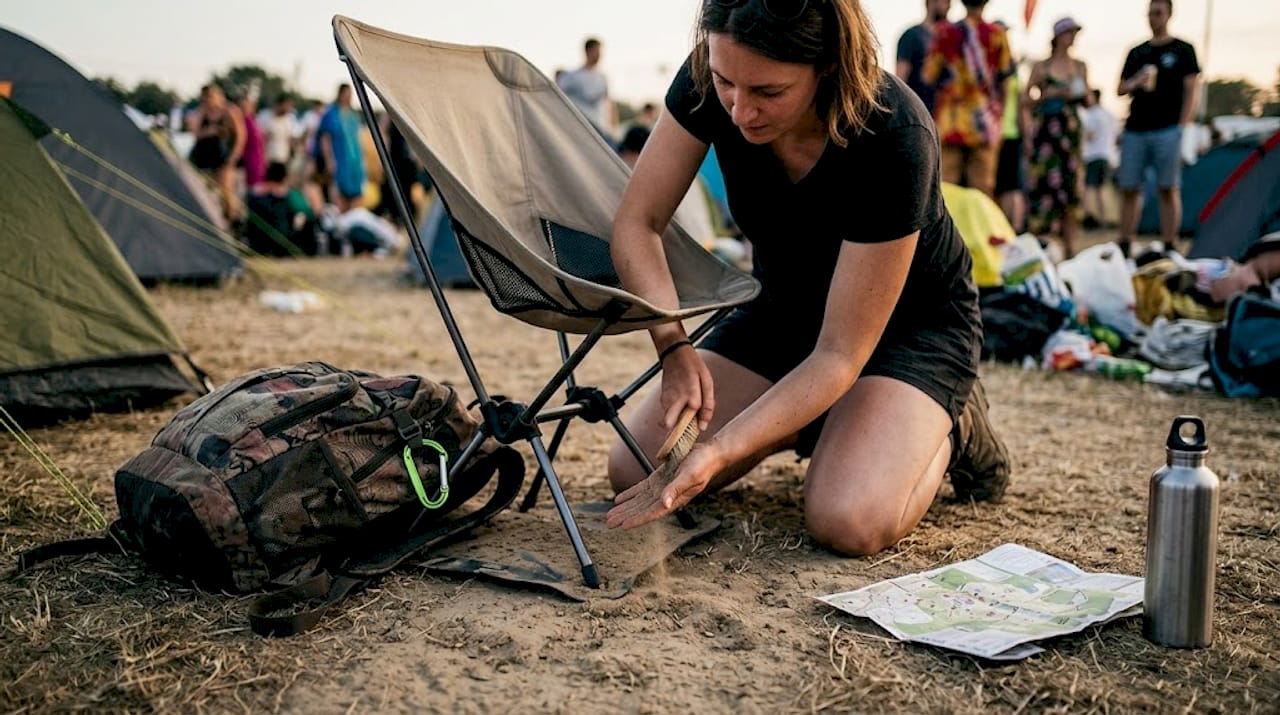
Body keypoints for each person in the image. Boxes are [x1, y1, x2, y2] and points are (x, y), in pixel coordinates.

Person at [605, 0, 1011, 556]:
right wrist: (673, 348)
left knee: (848, 520)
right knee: (636, 469)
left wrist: (722, 449)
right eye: (727, 82)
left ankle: (952, 423)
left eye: (768, 93)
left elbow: (840, 354)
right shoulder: (708, 78)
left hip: (907, 330)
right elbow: (637, 223)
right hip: (784, 311)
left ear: (828, 67)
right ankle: (814, 419)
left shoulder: (895, 130)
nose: (740, 111)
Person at [1115, 0, 1201, 258]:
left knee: (1168, 186)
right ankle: (1125, 241)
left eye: (1158, 13)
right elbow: (1119, 88)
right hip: (1136, 128)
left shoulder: (1183, 50)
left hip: (1167, 128)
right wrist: (1137, 81)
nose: (1153, 18)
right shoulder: (1137, 52)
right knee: (1130, 187)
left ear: (1169, 15)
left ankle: (1169, 243)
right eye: (1150, 14)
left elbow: (1192, 88)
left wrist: (1182, 126)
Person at [922, 0, 1014, 197]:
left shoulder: (944, 32)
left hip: (951, 121)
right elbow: (1005, 80)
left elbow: (929, 75)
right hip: (984, 121)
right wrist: (1000, 117)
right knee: (982, 190)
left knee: (947, 188)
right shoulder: (997, 35)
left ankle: (949, 228)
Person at [1023, 17, 1089, 258]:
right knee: (1044, 189)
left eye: (1074, 33)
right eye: (1068, 33)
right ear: (1058, 37)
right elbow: (1025, 100)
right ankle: (1042, 247)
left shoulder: (1080, 66)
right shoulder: (1042, 66)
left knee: (1071, 191)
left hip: (1070, 135)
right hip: (1046, 134)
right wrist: (1049, 94)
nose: (1072, 38)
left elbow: (1089, 101)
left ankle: (1071, 249)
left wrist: (1080, 92)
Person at [187, 84, 245, 223]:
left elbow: (240, 135)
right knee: (203, 187)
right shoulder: (202, 112)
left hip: (223, 155)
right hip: (204, 154)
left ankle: (232, 219)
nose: (207, 101)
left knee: (225, 190)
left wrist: (234, 156)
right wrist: (208, 130)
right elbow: (195, 133)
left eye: (210, 97)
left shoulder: (229, 111)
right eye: (205, 98)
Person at [313, 84, 367, 210]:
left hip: (354, 160)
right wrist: (329, 160)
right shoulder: (331, 114)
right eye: (346, 94)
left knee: (354, 195)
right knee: (338, 192)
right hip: (339, 158)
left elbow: (357, 138)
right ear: (340, 94)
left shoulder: (353, 115)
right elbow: (325, 138)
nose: (349, 97)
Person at [895, 0, 951, 115]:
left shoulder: (952, 38)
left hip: (948, 116)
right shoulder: (912, 36)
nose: (948, 5)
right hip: (921, 112)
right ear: (930, 3)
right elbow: (901, 79)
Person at [557, 37, 616, 141]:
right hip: (581, 128)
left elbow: (609, 103)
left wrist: (612, 126)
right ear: (587, 52)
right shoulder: (572, 77)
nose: (599, 55)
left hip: (601, 129)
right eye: (596, 51)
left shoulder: (603, 77)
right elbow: (557, 97)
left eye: (600, 52)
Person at [1081, 89, 1119, 230]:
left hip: (1092, 155)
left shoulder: (1091, 115)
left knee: (1089, 188)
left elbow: (1089, 136)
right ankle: (1105, 219)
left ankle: (1088, 217)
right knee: (1102, 188)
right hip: (1107, 155)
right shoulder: (1108, 115)